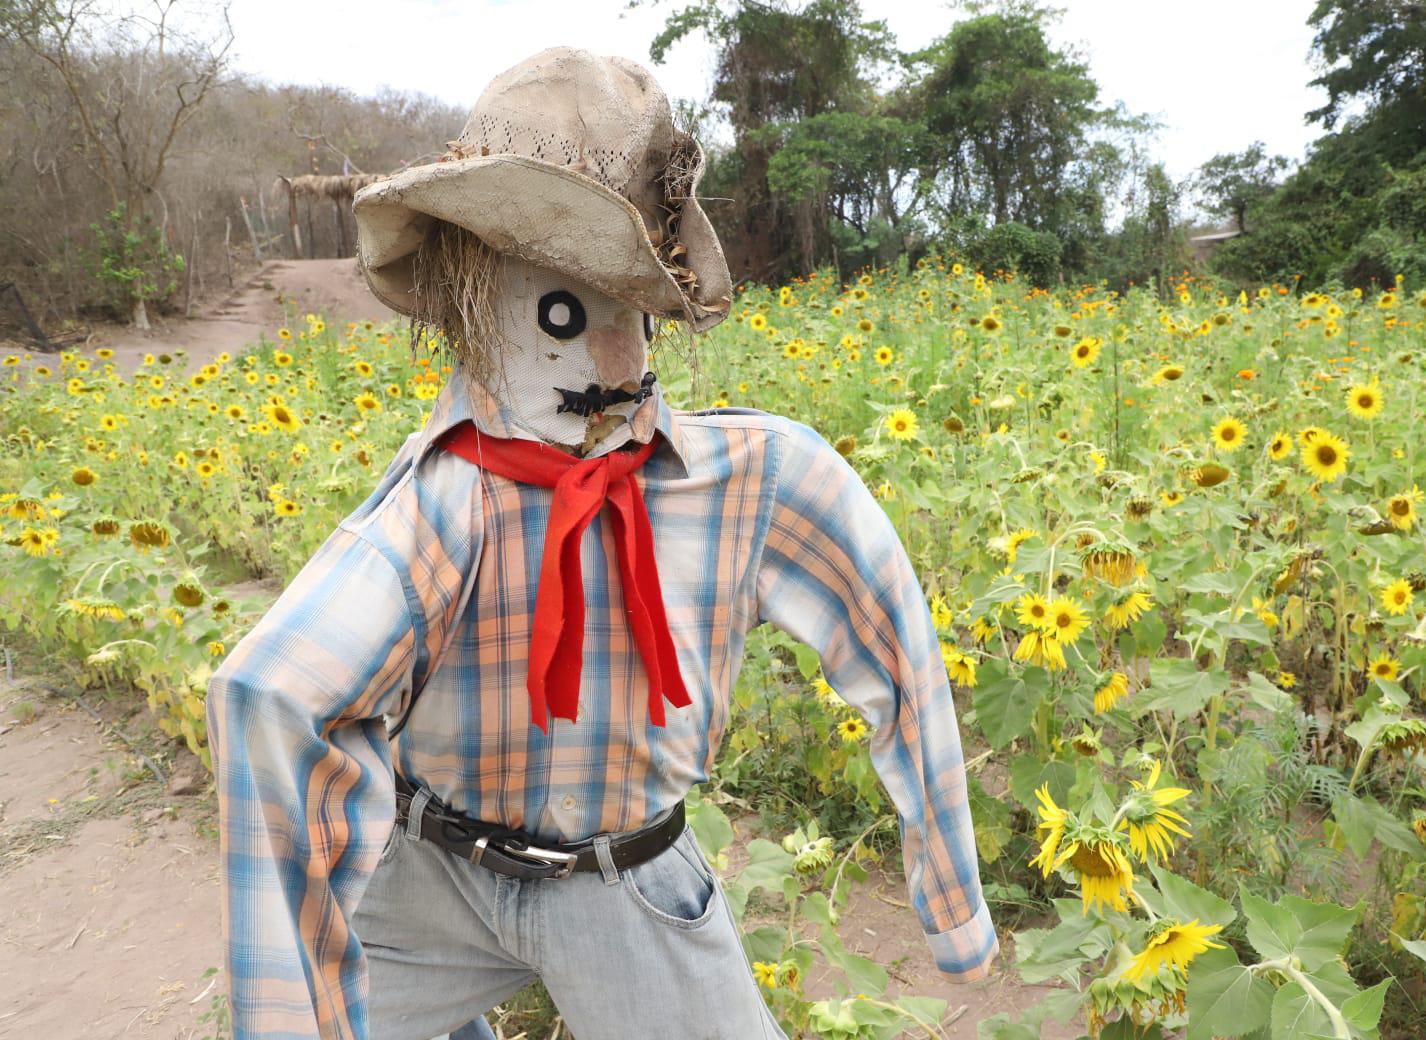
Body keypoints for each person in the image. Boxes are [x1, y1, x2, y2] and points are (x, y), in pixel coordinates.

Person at [205, 46, 998, 1040]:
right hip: (425, 877)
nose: (620, 355)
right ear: (473, 299)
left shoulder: (752, 479)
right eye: (567, 314)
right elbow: (269, 692)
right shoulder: (447, 500)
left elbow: (895, 638)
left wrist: (951, 895)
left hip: (625, 878)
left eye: (635, 315)